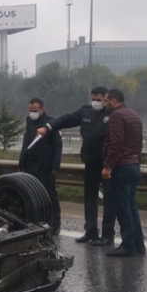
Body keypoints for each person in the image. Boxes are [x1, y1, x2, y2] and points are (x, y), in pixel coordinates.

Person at [37, 86, 115, 245]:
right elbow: (66, 119)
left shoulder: (112, 114)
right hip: (90, 161)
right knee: (90, 197)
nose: (95, 103)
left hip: (107, 162)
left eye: (99, 100)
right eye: (93, 99)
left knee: (109, 199)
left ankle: (108, 234)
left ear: (106, 99)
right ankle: (91, 231)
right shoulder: (85, 112)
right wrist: (48, 127)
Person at [102, 89, 145, 257]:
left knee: (123, 208)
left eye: (106, 101)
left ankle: (128, 245)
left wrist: (108, 166)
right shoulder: (133, 114)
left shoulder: (116, 117)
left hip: (122, 167)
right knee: (132, 207)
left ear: (113, 101)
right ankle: (138, 244)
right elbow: (138, 142)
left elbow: (116, 143)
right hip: (134, 165)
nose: (104, 104)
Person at [18, 98, 62, 234]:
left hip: (45, 166)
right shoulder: (29, 124)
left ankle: (55, 224)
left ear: (42, 109)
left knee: (50, 195)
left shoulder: (51, 124)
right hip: (30, 166)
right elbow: (25, 145)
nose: (32, 113)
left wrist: (55, 166)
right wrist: (21, 163)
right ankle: (32, 222)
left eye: (35, 111)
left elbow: (57, 146)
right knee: (30, 194)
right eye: (30, 110)